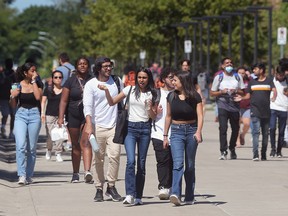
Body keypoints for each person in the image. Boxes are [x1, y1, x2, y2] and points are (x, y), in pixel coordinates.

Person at [99, 67, 157, 206]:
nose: (141, 80)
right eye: (139, 77)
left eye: (144, 78)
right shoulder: (129, 90)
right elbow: (112, 102)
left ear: (148, 79)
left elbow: (153, 116)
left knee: (141, 164)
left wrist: (149, 108)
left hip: (145, 129)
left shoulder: (153, 93)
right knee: (131, 161)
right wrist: (107, 91)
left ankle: (138, 196)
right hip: (131, 128)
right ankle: (130, 194)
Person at [83, 57, 123, 202]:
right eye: (105, 66)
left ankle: (111, 186)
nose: (108, 68)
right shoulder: (91, 85)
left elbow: (121, 101)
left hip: (114, 126)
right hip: (97, 126)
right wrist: (89, 124)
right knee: (98, 159)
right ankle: (99, 188)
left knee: (115, 156)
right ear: (99, 68)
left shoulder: (117, 81)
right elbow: (87, 106)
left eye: (110, 66)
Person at [163, 70, 203, 206]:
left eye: (175, 80)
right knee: (178, 163)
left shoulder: (195, 96)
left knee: (190, 165)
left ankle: (190, 196)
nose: (172, 82)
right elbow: (168, 116)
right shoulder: (171, 96)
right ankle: (175, 193)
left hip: (191, 131)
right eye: (172, 80)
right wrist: (165, 136)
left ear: (183, 81)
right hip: (176, 132)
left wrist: (198, 132)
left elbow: (200, 116)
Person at [57, 56, 93, 183]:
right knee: (76, 145)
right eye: (80, 64)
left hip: (87, 116)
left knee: (86, 142)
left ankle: (88, 171)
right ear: (76, 66)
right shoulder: (70, 81)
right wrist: (61, 117)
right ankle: (75, 173)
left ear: (88, 66)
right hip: (73, 115)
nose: (82, 66)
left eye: (85, 64)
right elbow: (64, 100)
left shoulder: (93, 80)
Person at [10, 62, 43, 185]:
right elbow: (13, 106)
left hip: (34, 115)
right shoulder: (16, 85)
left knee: (31, 148)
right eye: (32, 71)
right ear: (25, 73)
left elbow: (38, 97)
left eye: (35, 70)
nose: (35, 73)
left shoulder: (38, 84)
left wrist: (34, 81)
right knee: (20, 146)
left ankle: (29, 175)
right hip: (21, 115)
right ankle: (22, 175)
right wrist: (13, 96)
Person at [238, 63, 277, 161]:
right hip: (255, 111)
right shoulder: (252, 82)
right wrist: (241, 98)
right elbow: (247, 96)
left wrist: (274, 97)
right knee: (255, 133)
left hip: (266, 112)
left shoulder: (269, 80)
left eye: (255, 69)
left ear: (261, 70)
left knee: (265, 134)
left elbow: (274, 89)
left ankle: (263, 153)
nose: (254, 71)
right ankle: (255, 154)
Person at [210, 57, 245, 160]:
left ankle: (232, 148)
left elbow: (243, 92)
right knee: (223, 128)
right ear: (222, 66)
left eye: (231, 63)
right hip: (222, 105)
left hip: (234, 106)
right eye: (227, 63)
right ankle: (223, 150)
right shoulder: (219, 77)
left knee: (235, 129)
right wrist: (221, 92)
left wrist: (236, 91)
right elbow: (212, 93)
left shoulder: (237, 76)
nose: (229, 65)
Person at [151, 67, 175, 200]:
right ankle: (163, 186)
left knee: (173, 161)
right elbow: (150, 115)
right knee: (162, 160)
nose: (173, 80)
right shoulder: (156, 93)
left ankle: (171, 186)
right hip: (158, 132)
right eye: (170, 77)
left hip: (176, 133)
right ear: (163, 79)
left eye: (174, 78)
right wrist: (155, 112)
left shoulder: (178, 93)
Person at [41, 70, 64, 162]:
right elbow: (43, 101)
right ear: (53, 79)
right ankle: (49, 150)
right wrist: (42, 113)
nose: (58, 79)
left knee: (60, 135)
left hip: (61, 115)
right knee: (50, 135)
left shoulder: (65, 90)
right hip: (50, 115)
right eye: (56, 77)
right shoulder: (48, 89)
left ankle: (58, 153)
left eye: (60, 77)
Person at [269, 65, 288, 158]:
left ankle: (279, 150)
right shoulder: (271, 81)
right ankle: (273, 149)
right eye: (279, 75)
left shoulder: (287, 81)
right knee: (272, 128)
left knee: (281, 131)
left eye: (283, 75)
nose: (281, 77)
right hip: (273, 107)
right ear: (276, 73)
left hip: (284, 108)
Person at [0, 58, 16, 139]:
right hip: (7, 97)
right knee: (9, 115)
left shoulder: (10, 74)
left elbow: (15, 84)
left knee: (9, 115)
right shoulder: (6, 73)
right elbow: (14, 84)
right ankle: (7, 130)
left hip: (8, 97)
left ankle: (7, 129)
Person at [236, 66, 251, 147]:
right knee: (237, 124)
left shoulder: (249, 81)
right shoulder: (233, 80)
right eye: (239, 73)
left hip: (247, 105)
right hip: (236, 105)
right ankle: (237, 140)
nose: (241, 75)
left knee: (247, 124)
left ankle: (242, 135)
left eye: (243, 73)